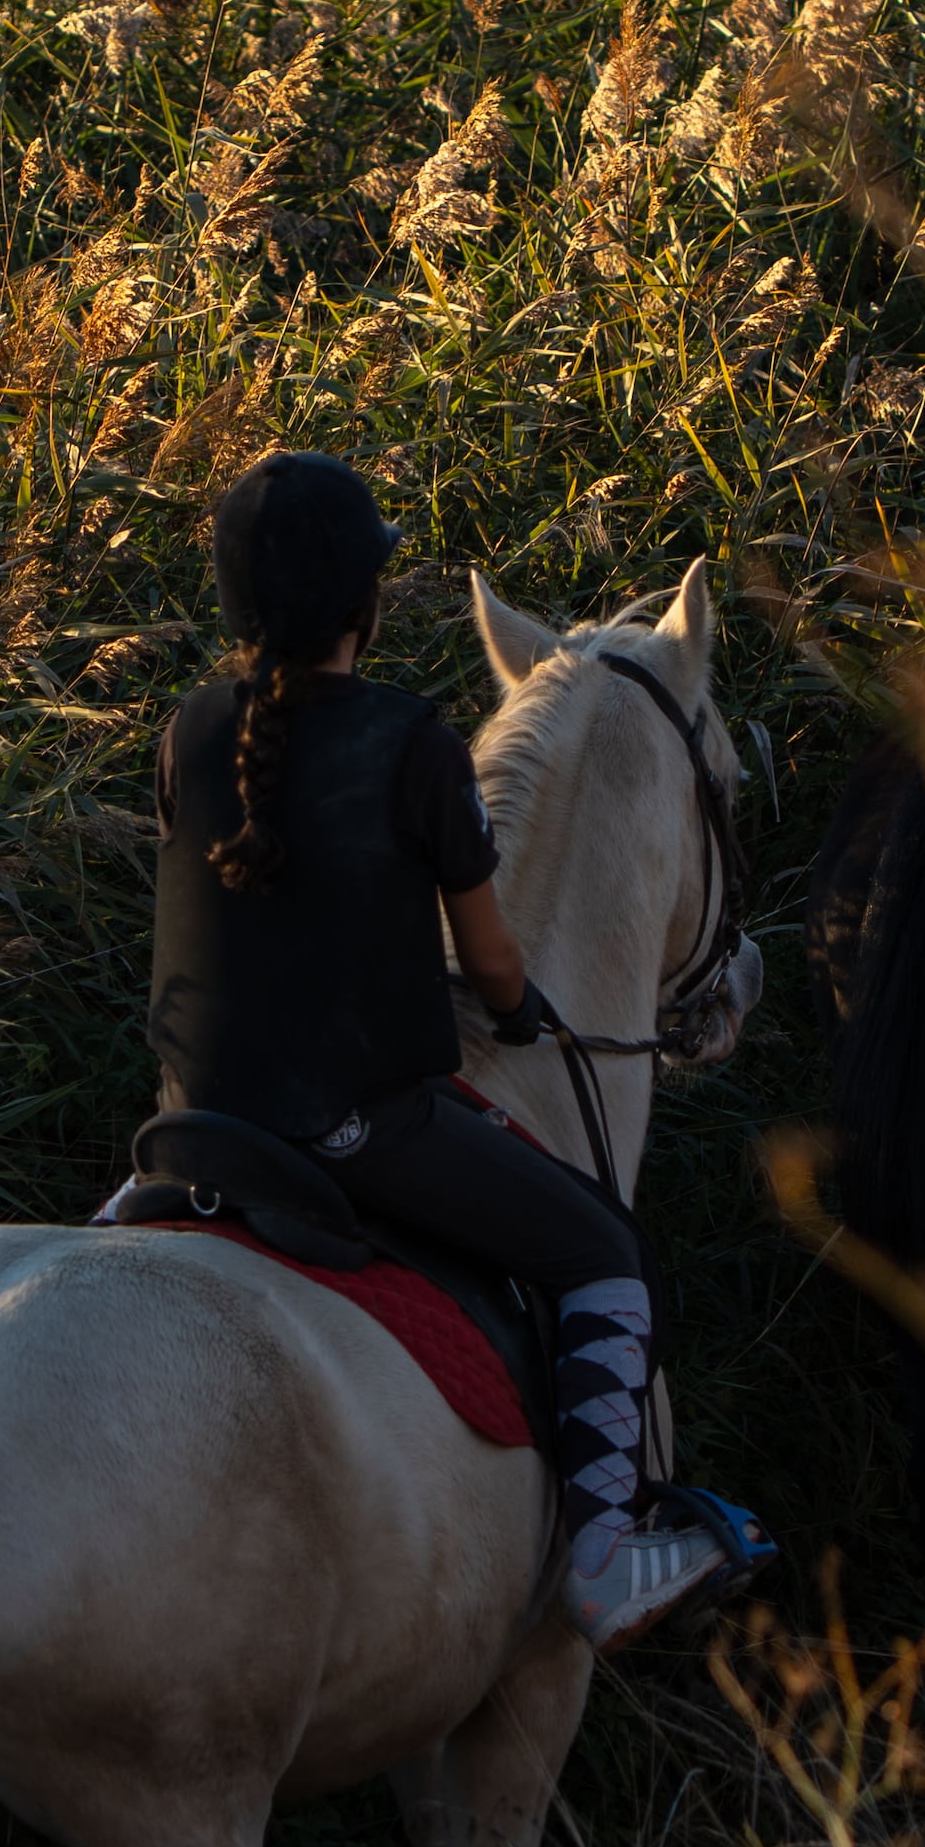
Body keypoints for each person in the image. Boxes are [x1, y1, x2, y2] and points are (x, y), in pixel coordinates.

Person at [144, 449, 766, 1650]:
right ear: (367, 606)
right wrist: (519, 1012)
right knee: (602, 1254)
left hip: (190, 1123)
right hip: (357, 1125)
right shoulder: (415, 744)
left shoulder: (187, 731)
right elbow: (488, 961)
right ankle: (605, 1553)